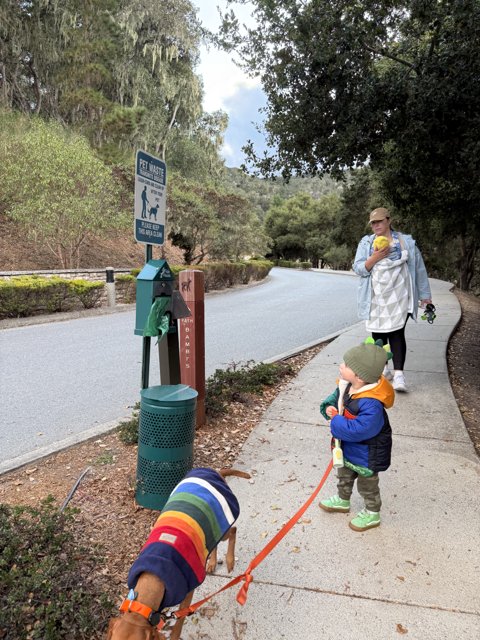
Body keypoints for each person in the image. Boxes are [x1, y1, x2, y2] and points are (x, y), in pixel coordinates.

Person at [353, 207, 432, 392]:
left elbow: (419, 269)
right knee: (378, 335)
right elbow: (359, 269)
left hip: (400, 296)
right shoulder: (366, 243)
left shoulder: (406, 242)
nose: (376, 225)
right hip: (375, 298)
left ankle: (399, 376)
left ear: (388, 220)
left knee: (397, 333)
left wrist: (425, 296)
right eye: (373, 222)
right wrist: (374, 257)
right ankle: (383, 369)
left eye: (379, 221)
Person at [319, 339, 394, 531]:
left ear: (359, 376)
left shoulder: (371, 403)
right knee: (344, 473)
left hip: (367, 453)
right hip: (347, 446)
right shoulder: (348, 386)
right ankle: (343, 500)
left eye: (346, 365)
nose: (341, 366)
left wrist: (336, 421)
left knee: (367, 484)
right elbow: (336, 399)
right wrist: (329, 407)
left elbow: (361, 429)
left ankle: (372, 513)